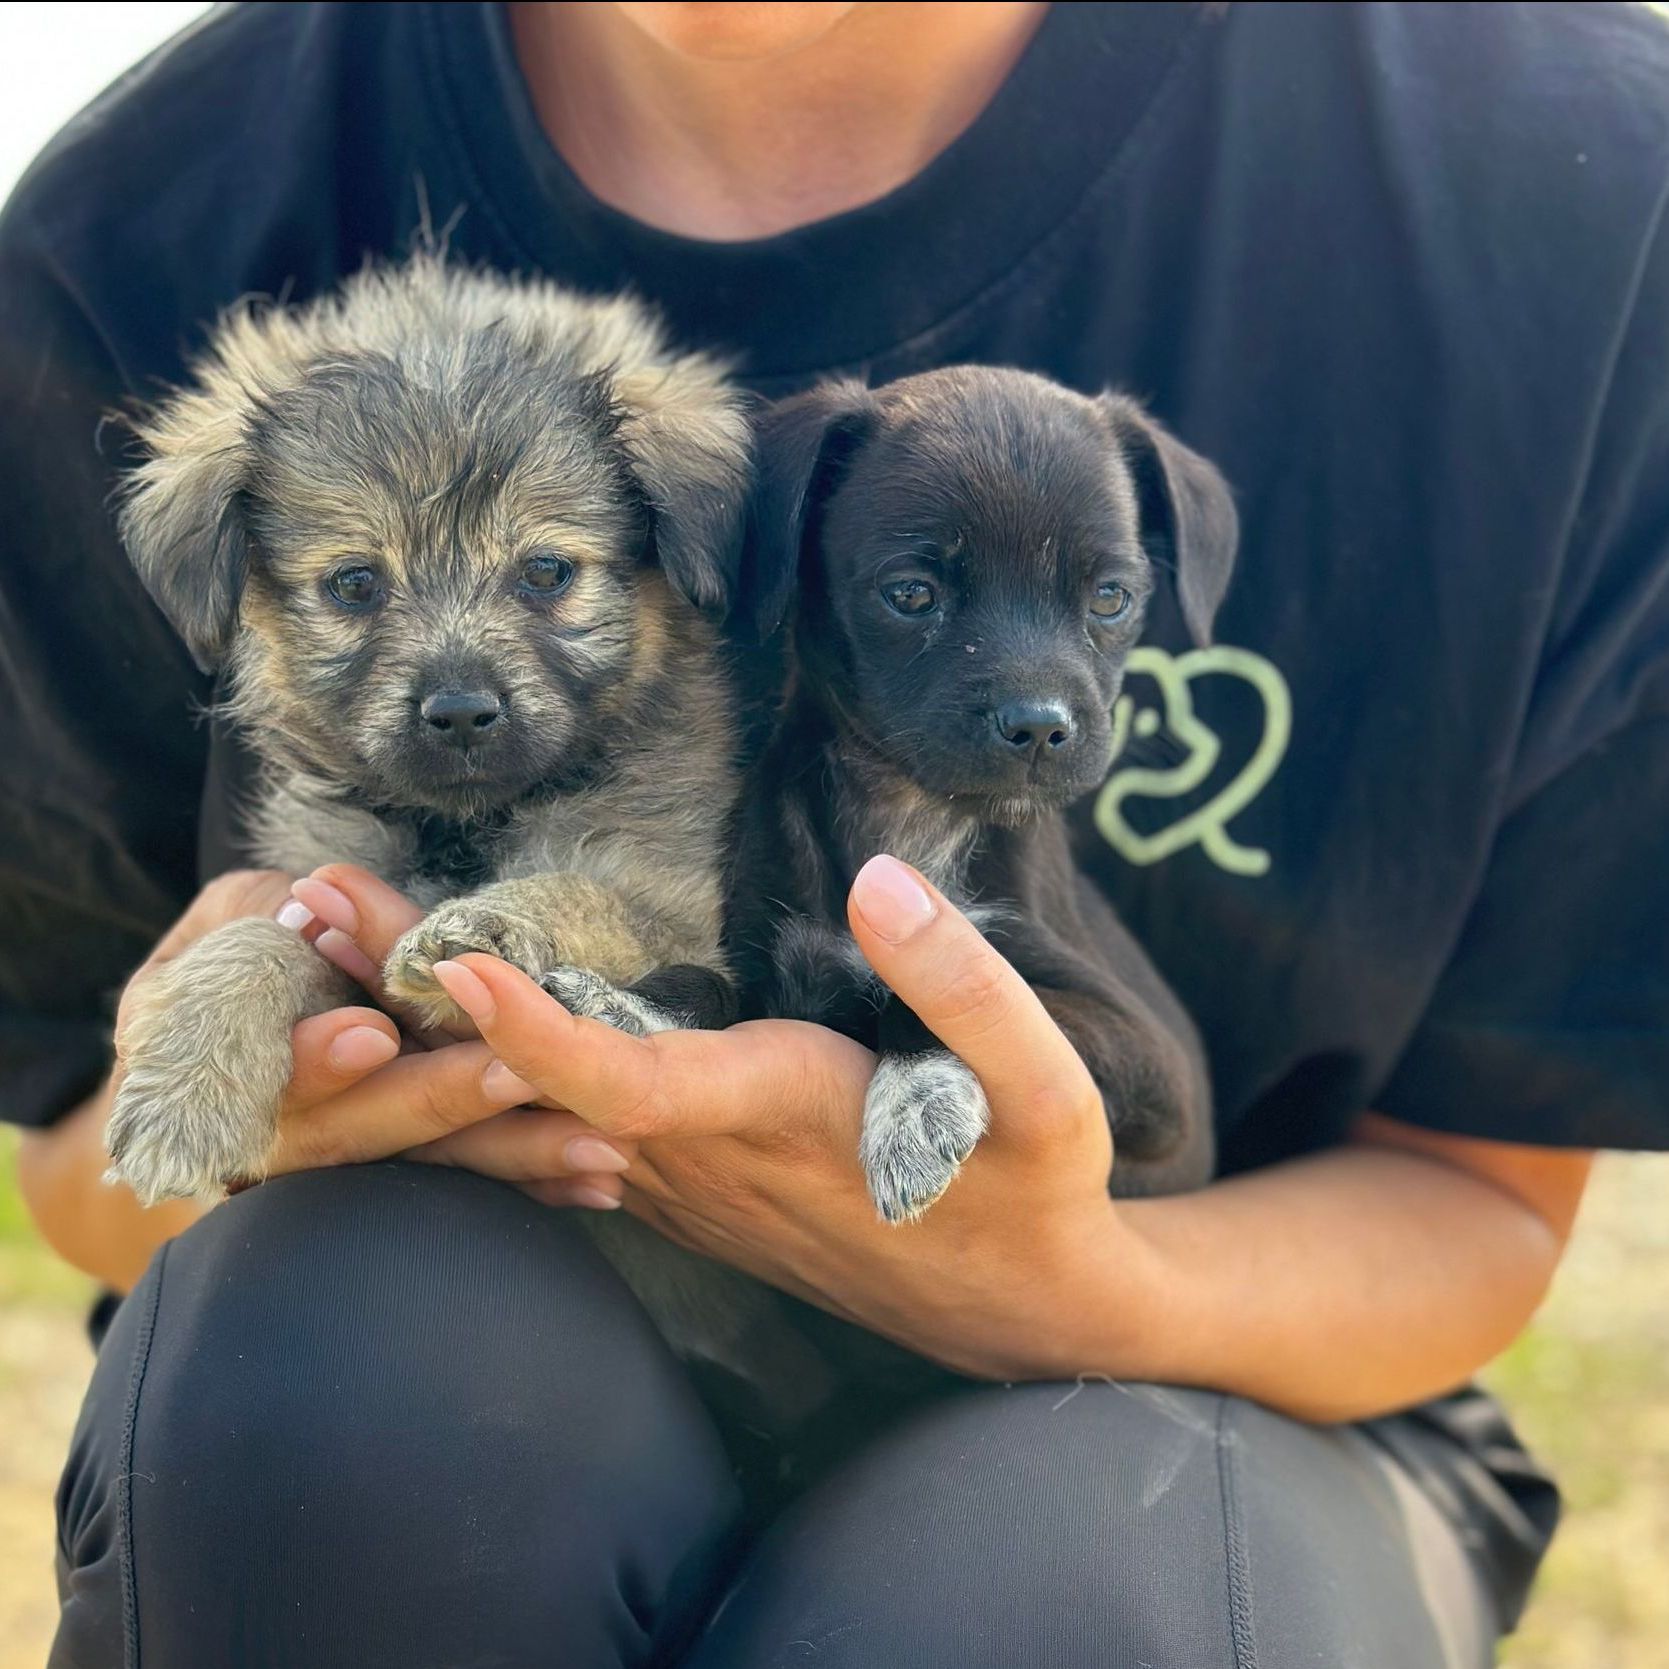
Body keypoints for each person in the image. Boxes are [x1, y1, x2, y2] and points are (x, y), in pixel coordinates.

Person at [4, 2, 1666, 1663]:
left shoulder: (1561, 182)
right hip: (496, 1320)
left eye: (551, 575)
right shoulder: (144, 228)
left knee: (1061, 1605)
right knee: (319, 1410)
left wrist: (1064, 1286)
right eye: (354, 589)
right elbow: (82, 1154)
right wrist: (262, 1084)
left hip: (1236, 1374)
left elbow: (1480, 1201)